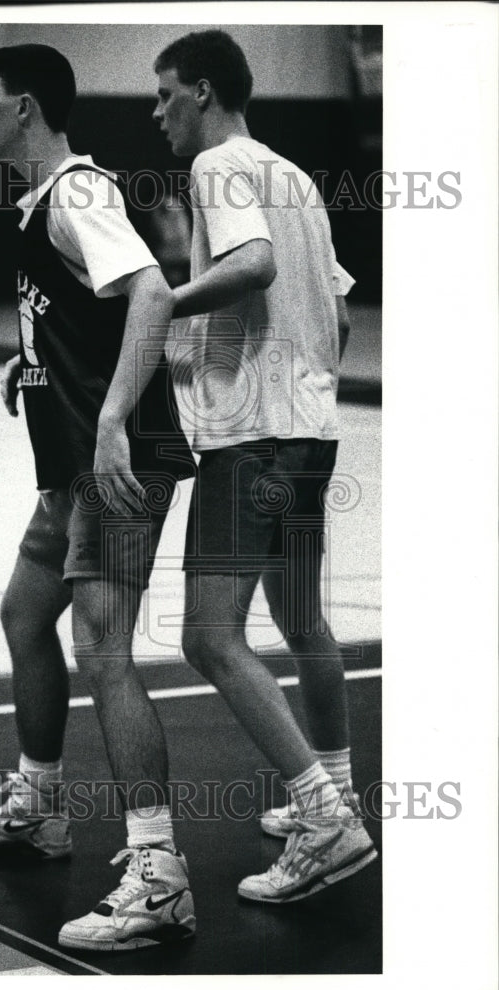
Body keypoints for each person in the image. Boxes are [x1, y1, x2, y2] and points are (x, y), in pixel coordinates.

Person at [0, 44, 196, 950]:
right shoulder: (44, 201)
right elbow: (87, 309)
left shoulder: (80, 193)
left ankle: (160, 877)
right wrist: (36, 356)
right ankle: (39, 809)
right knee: (23, 614)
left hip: (119, 461)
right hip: (73, 467)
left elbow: (152, 293)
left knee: (105, 650)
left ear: (29, 110)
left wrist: (116, 419)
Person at [152, 29, 377, 902]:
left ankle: (324, 819)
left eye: (165, 93)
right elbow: (339, 314)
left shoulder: (217, 168)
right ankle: (337, 784)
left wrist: (163, 310)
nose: (156, 111)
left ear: (202, 93)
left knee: (208, 635)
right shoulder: (295, 175)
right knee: (304, 622)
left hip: (252, 438)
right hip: (312, 428)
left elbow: (253, 265)